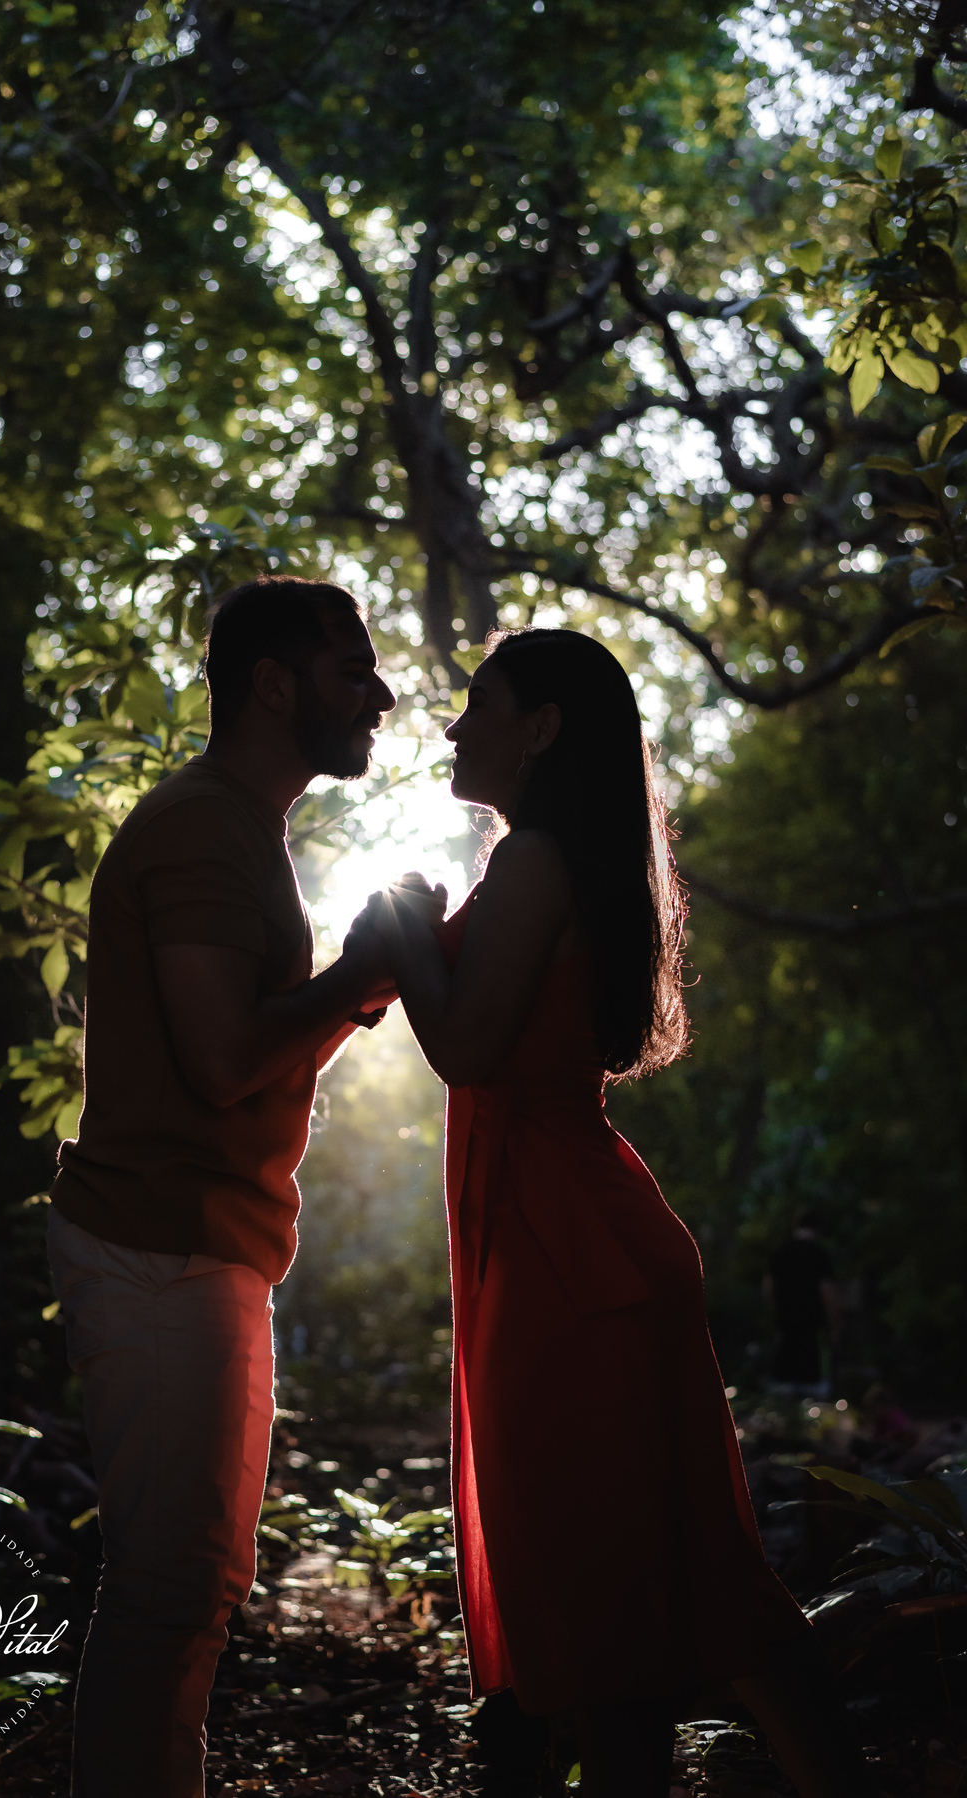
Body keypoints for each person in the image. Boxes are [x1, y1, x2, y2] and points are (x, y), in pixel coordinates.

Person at [357, 628, 874, 1797]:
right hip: (568, 1237)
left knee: (624, 1593)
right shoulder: (537, 862)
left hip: (566, 1253)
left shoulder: (536, 860)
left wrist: (399, 932)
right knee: (652, 1582)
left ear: (540, 728)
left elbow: (472, 1047)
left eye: (477, 701)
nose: (451, 723)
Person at [46, 575, 396, 1798]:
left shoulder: (242, 829)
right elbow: (220, 1057)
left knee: (188, 1593)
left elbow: (245, 1046)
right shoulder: (202, 826)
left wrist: (362, 983)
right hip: (159, 1250)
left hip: (201, 1247)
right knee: (168, 1594)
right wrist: (363, 976)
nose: (382, 694)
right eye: (355, 670)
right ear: (274, 684)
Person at [764, 1212, 839, 1397]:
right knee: (813, 1382)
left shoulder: (780, 1252)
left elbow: (768, 1288)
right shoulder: (818, 1253)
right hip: (812, 1328)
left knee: (783, 1382)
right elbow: (827, 1293)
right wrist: (835, 1325)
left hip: (785, 1325)